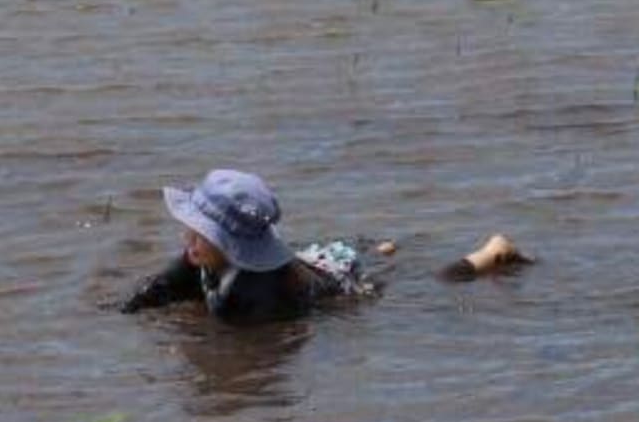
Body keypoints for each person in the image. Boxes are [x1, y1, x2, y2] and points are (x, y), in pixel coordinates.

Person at [105, 168, 533, 322]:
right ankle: (381, 246)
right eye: (190, 229)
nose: (188, 240)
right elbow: (157, 290)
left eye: (200, 234)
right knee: (371, 252)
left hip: (339, 285)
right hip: (312, 260)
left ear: (231, 246)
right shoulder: (198, 255)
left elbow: (248, 335)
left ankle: (489, 253)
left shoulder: (257, 295)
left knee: (427, 283)